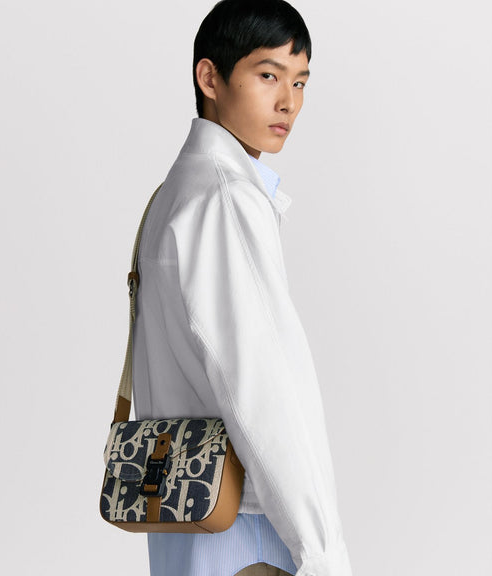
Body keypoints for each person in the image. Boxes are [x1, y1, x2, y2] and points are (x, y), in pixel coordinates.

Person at [131, 1, 353, 574]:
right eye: (268, 75)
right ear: (210, 78)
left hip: (187, 516)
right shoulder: (225, 197)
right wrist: (321, 551)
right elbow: (261, 386)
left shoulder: (175, 191)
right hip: (250, 532)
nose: (289, 102)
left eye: (299, 82)